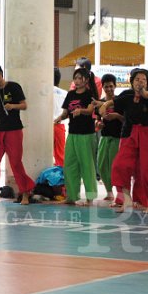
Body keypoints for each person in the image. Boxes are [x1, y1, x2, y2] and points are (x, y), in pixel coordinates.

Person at [101, 69, 148, 213]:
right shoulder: (127, 96)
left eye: (144, 80)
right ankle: (126, 201)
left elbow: (147, 96)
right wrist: (104, 105)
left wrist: (143, 91)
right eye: (137, 79)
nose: (140, 82)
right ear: (132, 82)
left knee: (146, 171)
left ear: (147, 83)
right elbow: (112, 101)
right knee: (120, 166)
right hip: (129, 134)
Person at [0, 63, 35, 205]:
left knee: (16, 163)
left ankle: (25, 193)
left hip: (14, 130)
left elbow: (24, 105)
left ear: (0, 74)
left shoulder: (14, 86)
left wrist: (13, 106)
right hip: (0, 130)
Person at [55, 68, 99, 206]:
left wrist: (81, 110)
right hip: (72, 134)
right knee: (69, 165)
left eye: (80, 78)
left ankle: (90, 198)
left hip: (86, 134)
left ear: (86, 80)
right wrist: (59, 118)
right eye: (76, 78)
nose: (77, 81)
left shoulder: (90, 94)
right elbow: (65, 112)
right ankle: (71, 196)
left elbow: (91, 110)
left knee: (87, 166)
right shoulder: (70, 94)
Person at [95, 74, 122, 203]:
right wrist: (98, 124)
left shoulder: (120, 101)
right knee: (101, 164)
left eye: (111, 86)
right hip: (104, 137)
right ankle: (109, 192)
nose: (109, 89)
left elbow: (126, 119)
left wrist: (116, 116)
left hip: (118, 138)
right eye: (106, 87)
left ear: (115, 86)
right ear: (103, 87)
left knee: (115, 166)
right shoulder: (100, 102)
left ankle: (120, 193)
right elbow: (97, 120)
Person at [52, 67, 68, 167]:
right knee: (60, 156)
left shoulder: (43, 92)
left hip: (45, 127)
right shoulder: (65, 93)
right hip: (59, 126)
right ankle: (62, 179)